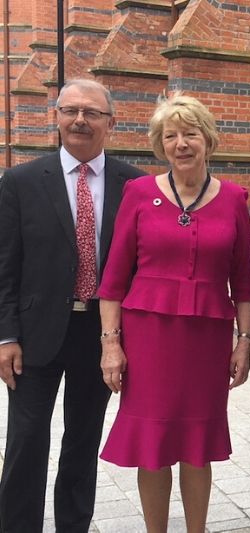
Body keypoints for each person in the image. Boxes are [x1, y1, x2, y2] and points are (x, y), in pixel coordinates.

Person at [96, 94, 250, 532]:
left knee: (197, 445)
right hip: (148, 337)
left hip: (207, 340)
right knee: (153, 444)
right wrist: (111, 345)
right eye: (171, 136)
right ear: (160, 144)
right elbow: (113, 280)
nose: (181, 144)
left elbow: (244, 282)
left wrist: (245, 343)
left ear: (208, 139)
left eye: (190, 133)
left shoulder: (234, 199)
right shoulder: (139, 193)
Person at [0, 79, 145, 531]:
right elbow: (5, 265)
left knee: (83, 441)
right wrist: (5, 335)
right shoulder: (20, 181)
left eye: (92, 113)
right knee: (26, 442)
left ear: (111, 123)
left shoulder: (136, 185)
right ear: (57, 117)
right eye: (71, 111)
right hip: (33, 334)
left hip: (101, 335)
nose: (80, 120)